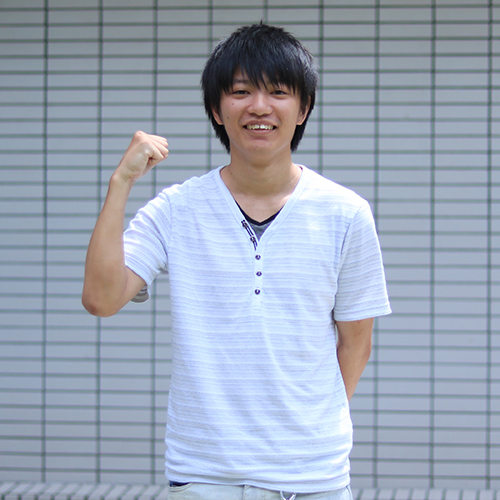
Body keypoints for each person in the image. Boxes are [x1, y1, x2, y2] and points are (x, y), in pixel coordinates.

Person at [82, 22, 391, 500]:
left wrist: (304, 428)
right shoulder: (177, 209)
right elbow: (101, 299)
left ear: (303, 108)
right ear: (216, 109)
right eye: (241, 91)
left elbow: (357, 342)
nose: (259, 106)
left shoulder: (345, 213)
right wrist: (120, 182)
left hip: (314, 480)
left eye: (278, 92)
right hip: (205, 477)